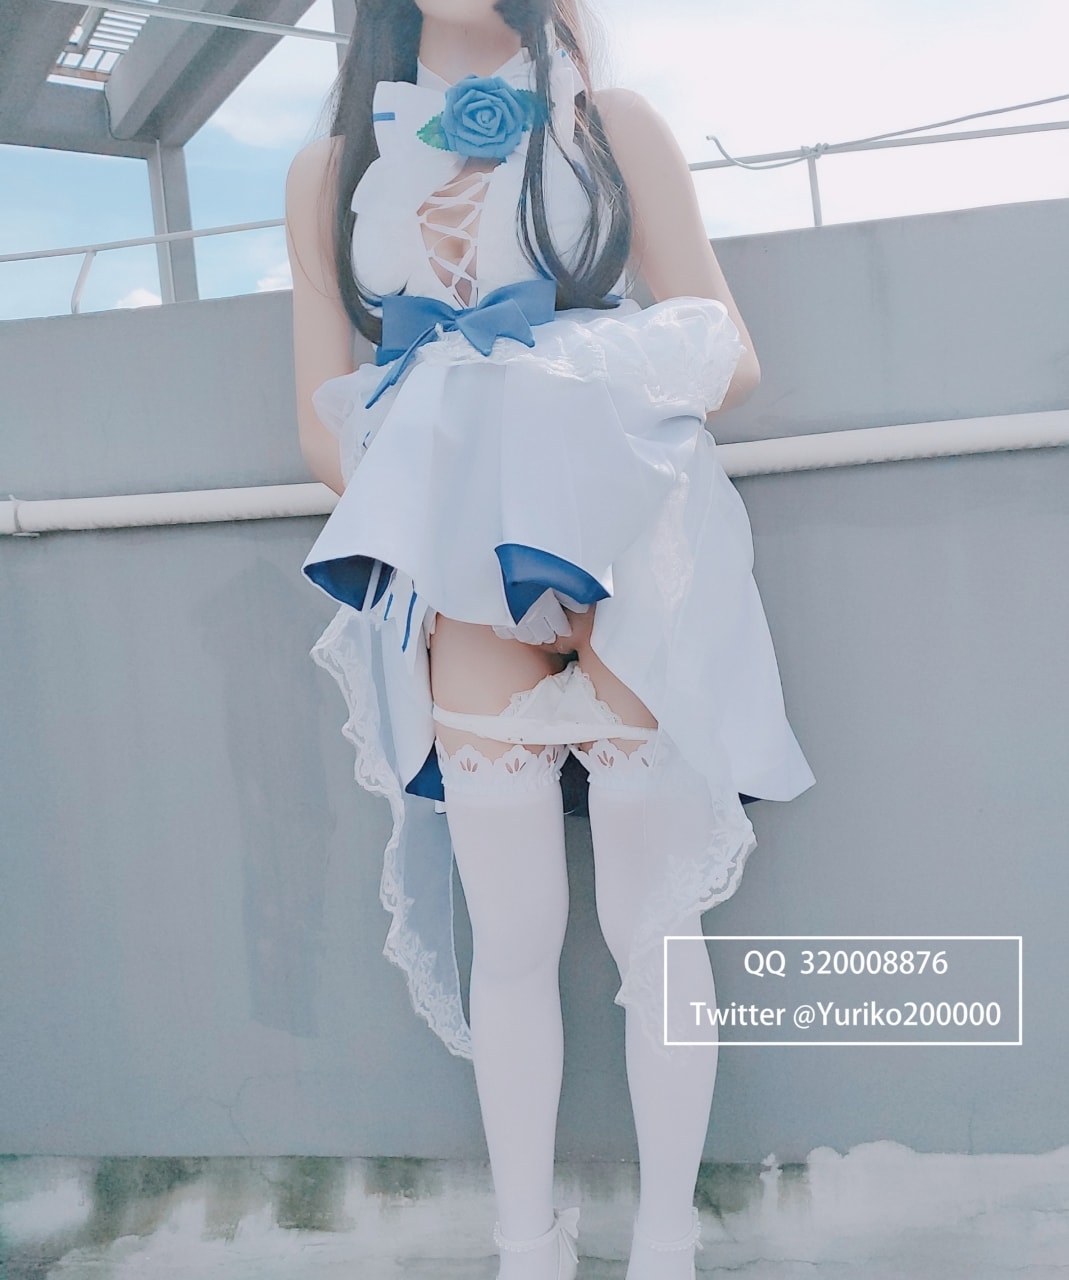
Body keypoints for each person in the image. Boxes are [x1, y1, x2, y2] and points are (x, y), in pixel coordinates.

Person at [285, 2, 814, 1277]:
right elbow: (317, 422)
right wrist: (459, 509)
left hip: (627, 553)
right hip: (468, 585)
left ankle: (666, 1245)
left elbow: (727, 355)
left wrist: (555, 396)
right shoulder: (330, 167)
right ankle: (527, 1247)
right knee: (511, 939)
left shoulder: (612, 125)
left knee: (656, 931)